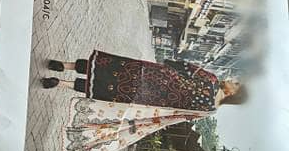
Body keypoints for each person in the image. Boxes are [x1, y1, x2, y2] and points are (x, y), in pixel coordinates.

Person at [43, 52, 246, 113]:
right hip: (149, 97)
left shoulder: (212, 80)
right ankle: (60, 83)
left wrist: (169, 64)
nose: (231, 81)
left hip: (154, 76)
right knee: (108, 89)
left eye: (235, 84)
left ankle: (64, 65)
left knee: (112, 69)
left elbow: (186, 68)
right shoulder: (209, 110)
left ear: (232, 94)